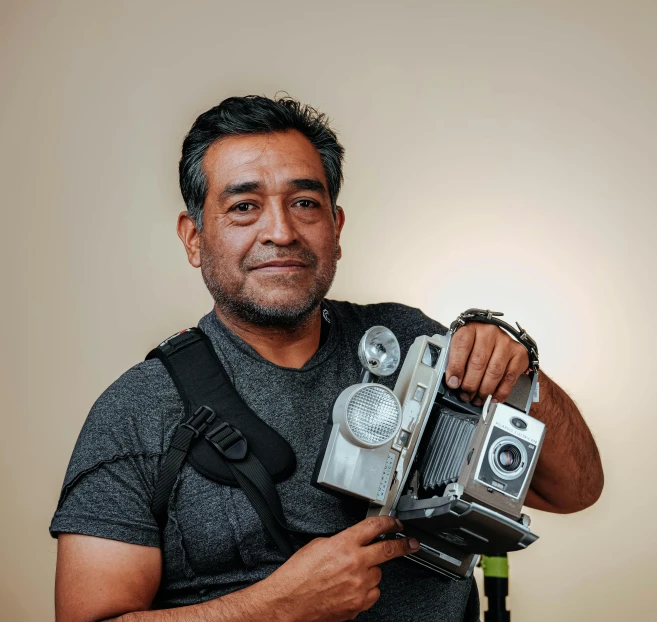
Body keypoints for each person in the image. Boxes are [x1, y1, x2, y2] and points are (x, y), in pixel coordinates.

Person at [51, 95, 604, 622]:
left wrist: (520, 373)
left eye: (304, 203)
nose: (281, 231)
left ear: (335, 229)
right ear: (194, 237)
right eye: (244, 207)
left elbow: (575, 490)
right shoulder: (139, 410)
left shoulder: (417, 346)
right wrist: (273, 610)